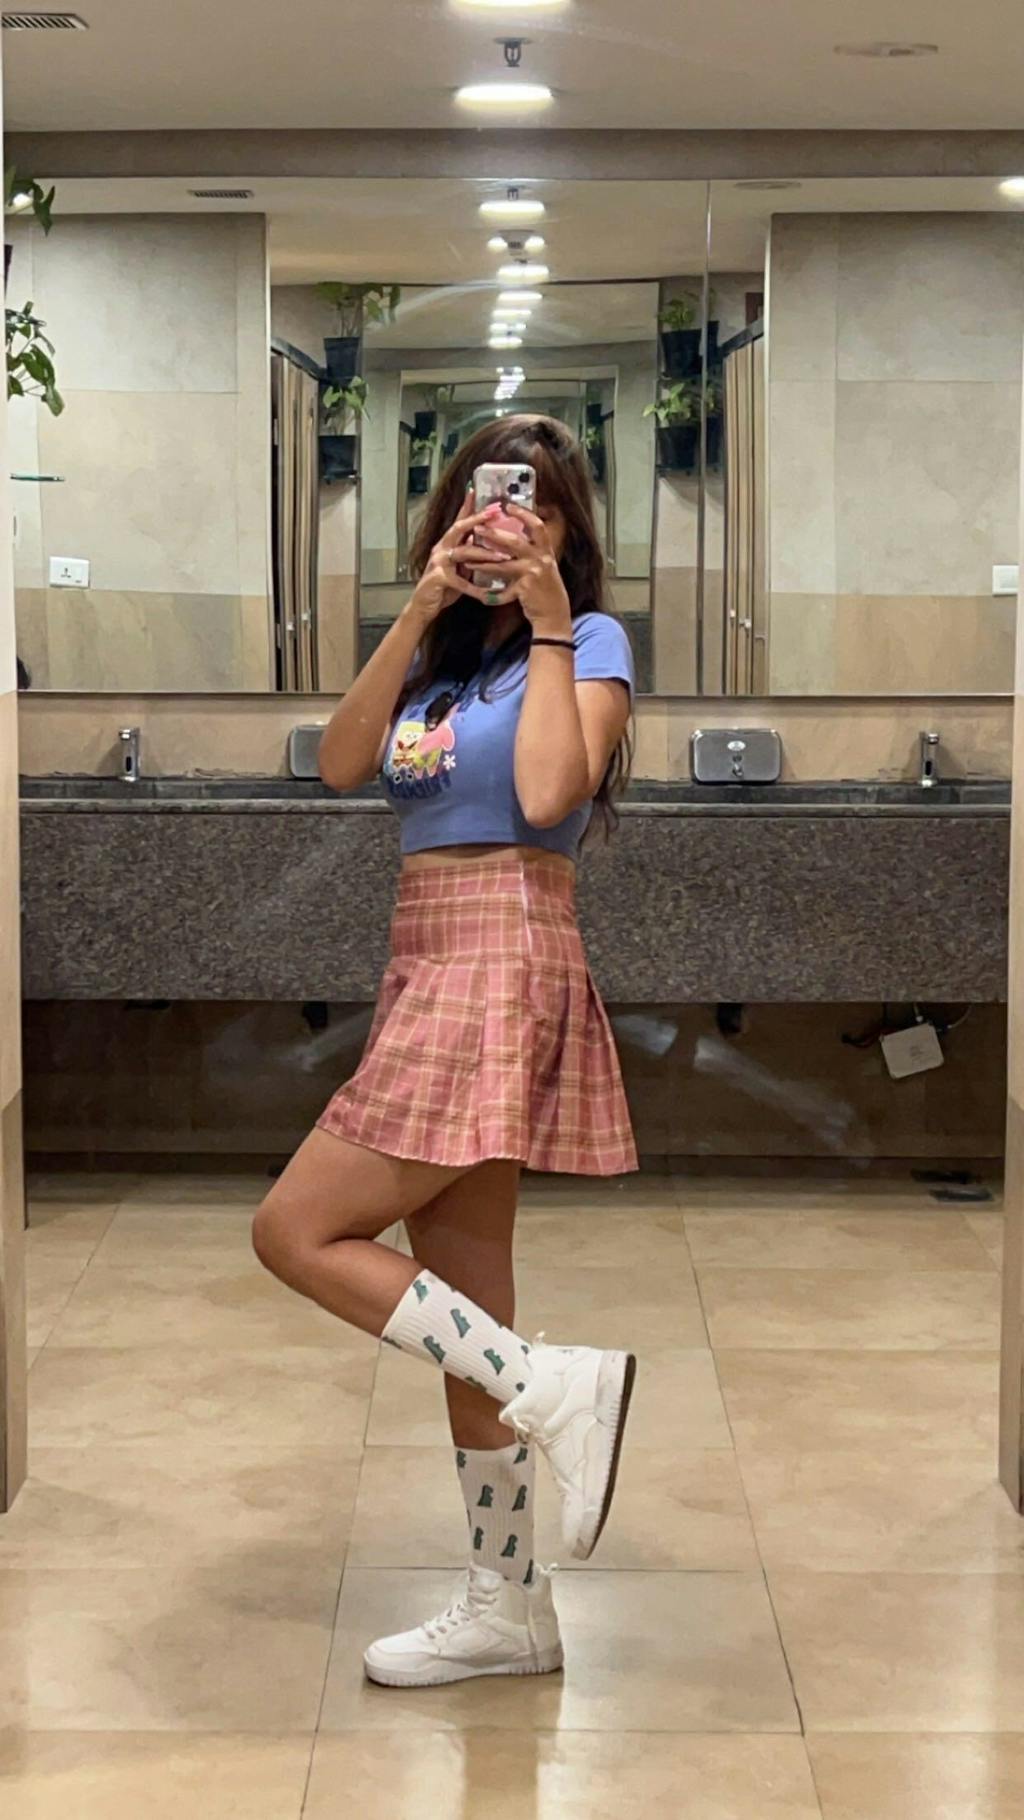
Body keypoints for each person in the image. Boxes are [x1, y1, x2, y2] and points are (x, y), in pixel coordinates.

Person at [253, 413, 638, 1689]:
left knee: (293, 1229)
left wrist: (546, 623)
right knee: (462, 1304)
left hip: (503, 951)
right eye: (484, 500)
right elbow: (339, 765)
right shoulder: (433, 658)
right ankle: (509, 1603)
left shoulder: (589, 642)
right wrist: (420, 605)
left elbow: (546, 795)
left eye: (535, 504)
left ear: (568, 529)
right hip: (427, 954)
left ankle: (551, 1381)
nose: (507, 520)